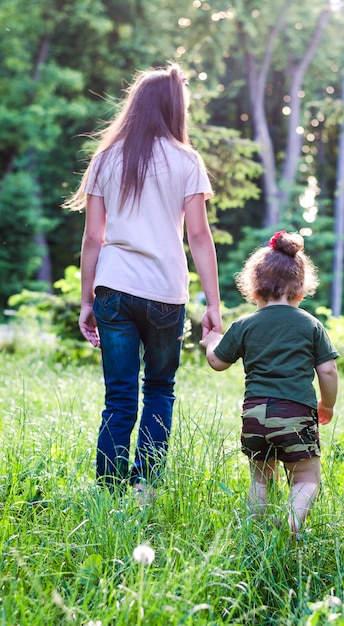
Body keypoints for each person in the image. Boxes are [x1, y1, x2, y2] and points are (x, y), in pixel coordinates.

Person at [65, 62, 222, 492]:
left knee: (118, 397)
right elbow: (199, 236)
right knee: (158, 389)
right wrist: (213, 303)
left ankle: (109, 493)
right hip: (164, 293)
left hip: (113, 289)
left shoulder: (106, 159)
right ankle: (144, 490)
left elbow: (93, 238)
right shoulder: (187, 160)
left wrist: (86, 302)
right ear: (174, 109)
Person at [200, 230, 338, 537]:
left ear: (254, 290)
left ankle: (256, 532)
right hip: (296, 413)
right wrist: (326, 404)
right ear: (301, 290)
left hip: (254, 416)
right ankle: (292, 521)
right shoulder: (310, 324)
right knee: (305, 479)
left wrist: (211, 340)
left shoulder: (244, 325)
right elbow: (327, 371)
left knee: (260, 479)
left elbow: (217, 362)